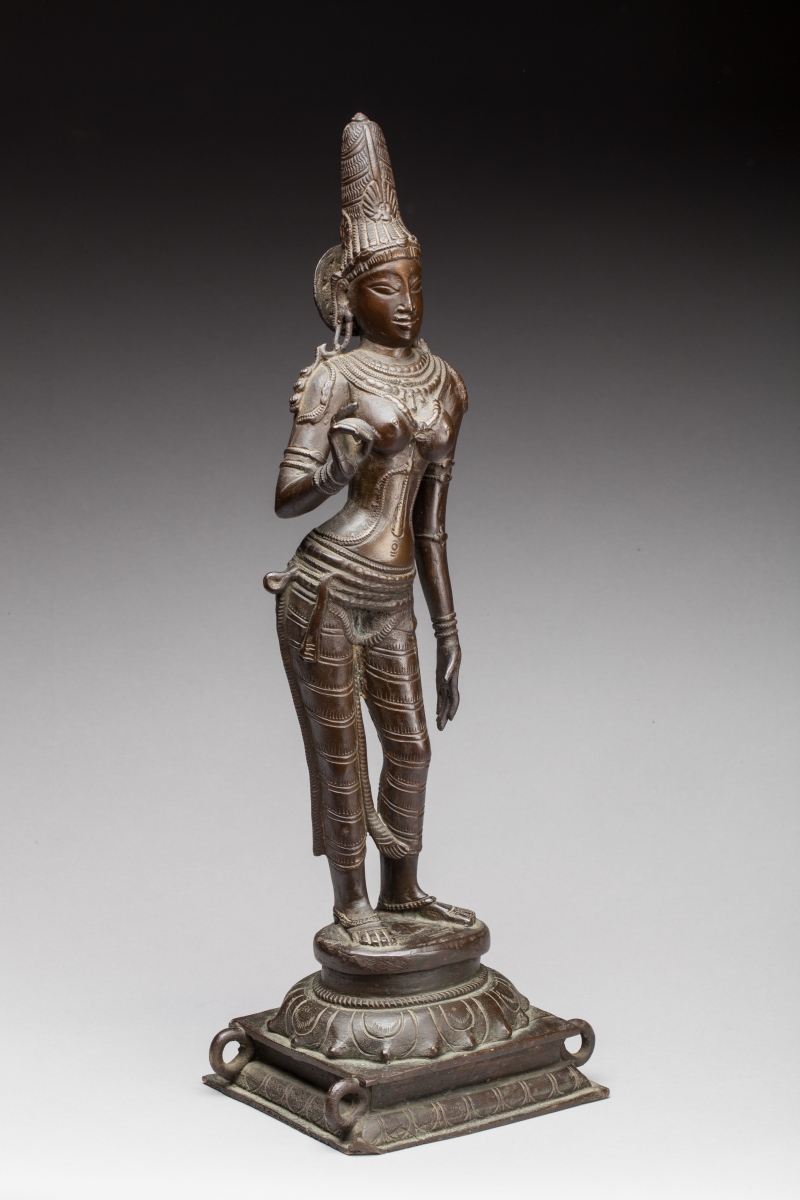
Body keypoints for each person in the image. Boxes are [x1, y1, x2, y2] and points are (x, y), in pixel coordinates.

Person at [265, 114, 473, 947]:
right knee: (343, 755)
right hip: (325, 586)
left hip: (393, 595)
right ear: (349, 298)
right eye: (387, 287)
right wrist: (342, 463)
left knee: (412, 749)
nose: (407, 301)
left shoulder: (447, 384)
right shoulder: (334, 377)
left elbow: (432, 525)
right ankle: (351, 904)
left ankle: (404, 891)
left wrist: (448, 629)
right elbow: (286, 495)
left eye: (415, 284)